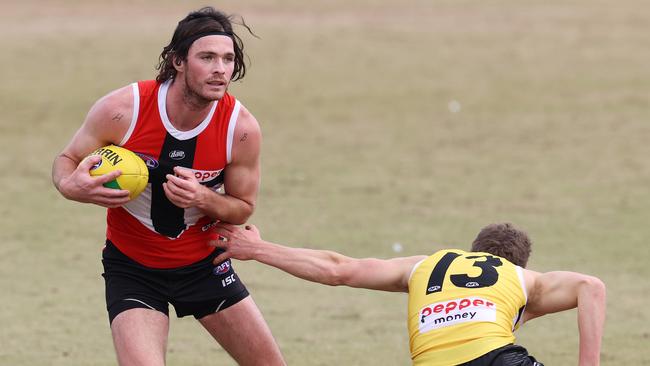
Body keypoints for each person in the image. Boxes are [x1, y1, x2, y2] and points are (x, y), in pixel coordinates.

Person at [51, 7, 286, 366]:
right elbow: (67, 160)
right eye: (207, 57)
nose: (220, 69)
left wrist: (203, 197)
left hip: (205, 266)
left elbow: (242, 207)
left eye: (227, 59)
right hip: (133, 269)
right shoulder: (122, 109)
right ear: (178, 61)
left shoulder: (240, 129)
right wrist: (72, 186)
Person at [211, 222, 606, 366]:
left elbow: (338, 269)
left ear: (469, 252)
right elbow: (591, 286)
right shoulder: (527, 280)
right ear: (518, 264)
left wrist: (259, 250)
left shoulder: (425, 264)